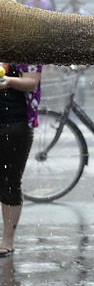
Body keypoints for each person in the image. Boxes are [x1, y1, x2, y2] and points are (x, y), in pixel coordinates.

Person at [0, 63, 42, 257]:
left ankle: (7, 240)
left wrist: (9, 81)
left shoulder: (26, 46)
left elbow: (32, 82)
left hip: (14, 123)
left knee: (10, 181)